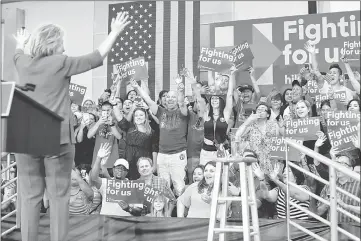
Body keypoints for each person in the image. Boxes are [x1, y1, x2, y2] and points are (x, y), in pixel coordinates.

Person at [13, 12, 130, 241]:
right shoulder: (61, 63)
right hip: (56, 139)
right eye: (62, 42)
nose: (65, 47)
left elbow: (17, 54)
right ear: (54, 42)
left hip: (24, 139)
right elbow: (97, 56)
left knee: (29, 197)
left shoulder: (23, 63)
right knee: (58, 198)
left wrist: (21, 43)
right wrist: (115, 31)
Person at [132, 76, 189, 197]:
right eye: (168, 97)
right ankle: (163, 214)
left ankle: (180, 214)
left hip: (178, 154)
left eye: (173, 97)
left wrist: (180, 89)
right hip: (162, 155)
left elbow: (182, 102)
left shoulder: (182, 112)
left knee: (179, 187)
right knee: (163, 187)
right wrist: (137, 88)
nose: (170, 99)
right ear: (164, 100)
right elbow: (148, 100)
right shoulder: (161, 112)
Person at [90, 143, 133, 217]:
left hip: (125, 223)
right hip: (106, 222)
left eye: (123, 168)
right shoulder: (106, 182)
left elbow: (138, 210)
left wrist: (129, 209)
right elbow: (93, 177)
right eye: (118, 167)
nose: (120, 170)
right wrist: (98, 158)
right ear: (113, 169)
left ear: (127, 172)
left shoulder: (133, 186)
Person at [317, 151, 360, 222]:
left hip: (352, 230)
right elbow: (318, 212)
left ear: (351, 169)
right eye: (338, 163)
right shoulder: (329, 185)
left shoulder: (358, 184)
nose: (339, 166)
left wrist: (345, 206)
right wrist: (327, 203)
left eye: (343, 163)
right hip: (332, 230)